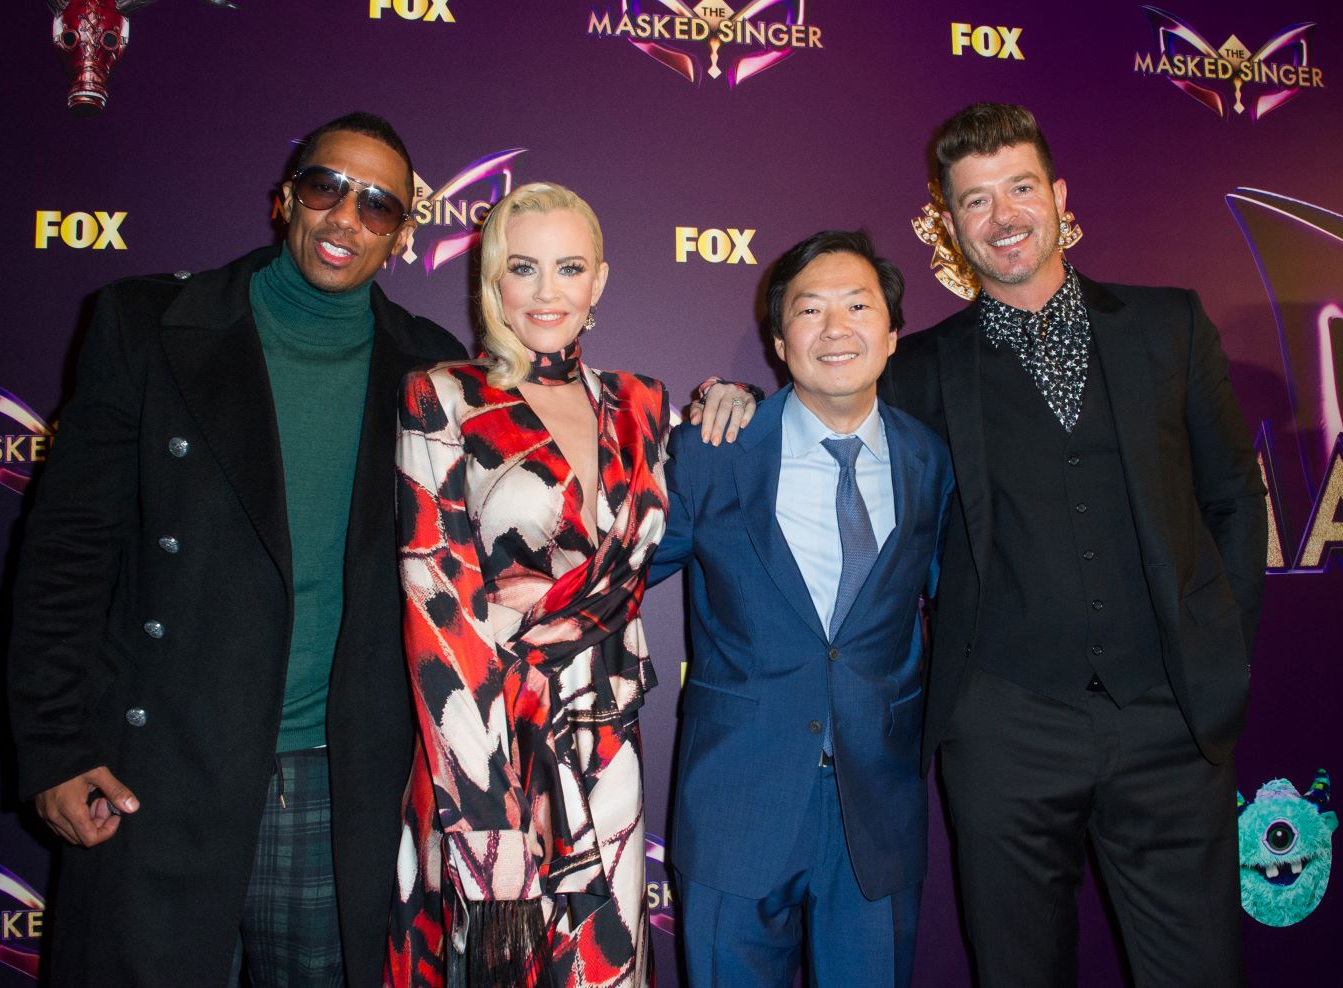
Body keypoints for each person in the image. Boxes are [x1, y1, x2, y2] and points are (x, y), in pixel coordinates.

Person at [6, 111, 468, 987]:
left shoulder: (433, 371)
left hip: (342, 786)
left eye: (377, 207)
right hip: (160, 767)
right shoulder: (147, 326)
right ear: (285, 199)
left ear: (403, 237)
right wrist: (55, 747)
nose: (345, 219)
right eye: (328, 188)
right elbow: (64, 555)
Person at [885, 102, 1267, 986]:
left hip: (1168, 721)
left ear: (1058, 195)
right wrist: (735, 400)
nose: (1004, 215)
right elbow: (823, 420)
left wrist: (1221, 653)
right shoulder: (918, 370)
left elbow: (1234, 503)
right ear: (950, 222)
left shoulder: (1167, 326)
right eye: (975, 201)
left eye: (1020, 188)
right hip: (1006, 730)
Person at [384, 181, 755, 987]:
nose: (548, 292)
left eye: (569, 268)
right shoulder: (442, 396)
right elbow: (435, 601)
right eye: (524, 268)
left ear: (600, 282)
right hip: (485, 748)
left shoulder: (644, 403)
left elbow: (649, 551)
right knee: (493, 965)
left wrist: (741, 394)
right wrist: (489, 818)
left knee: (604, 967)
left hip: (607, 743)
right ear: (493, 280)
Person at [650, 230, 954, 987]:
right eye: (810, 310)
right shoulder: (714, 449)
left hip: (876, 817)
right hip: (734, 811)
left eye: (858, 306)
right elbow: (610, 575)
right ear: (781, 342)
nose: (836, 327)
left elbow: (966, 604)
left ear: (892, 334)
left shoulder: (932, 459)